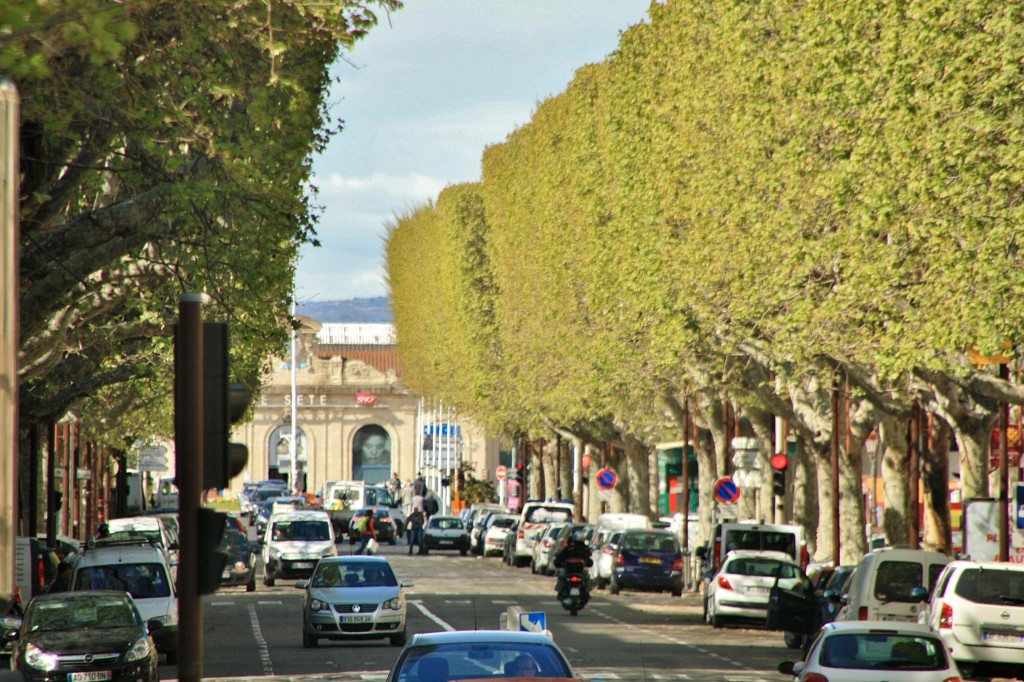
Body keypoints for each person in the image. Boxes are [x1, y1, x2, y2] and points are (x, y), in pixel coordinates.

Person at [553, 528, 593, 598]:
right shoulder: (585, 549)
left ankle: (560, 592)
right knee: (586, 577)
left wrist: (558, 562)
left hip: (575, 572)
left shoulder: (569, 548)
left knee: (561, 575)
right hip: (575, 572)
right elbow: (589, 560)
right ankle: (586, 592)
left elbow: (560, 557)